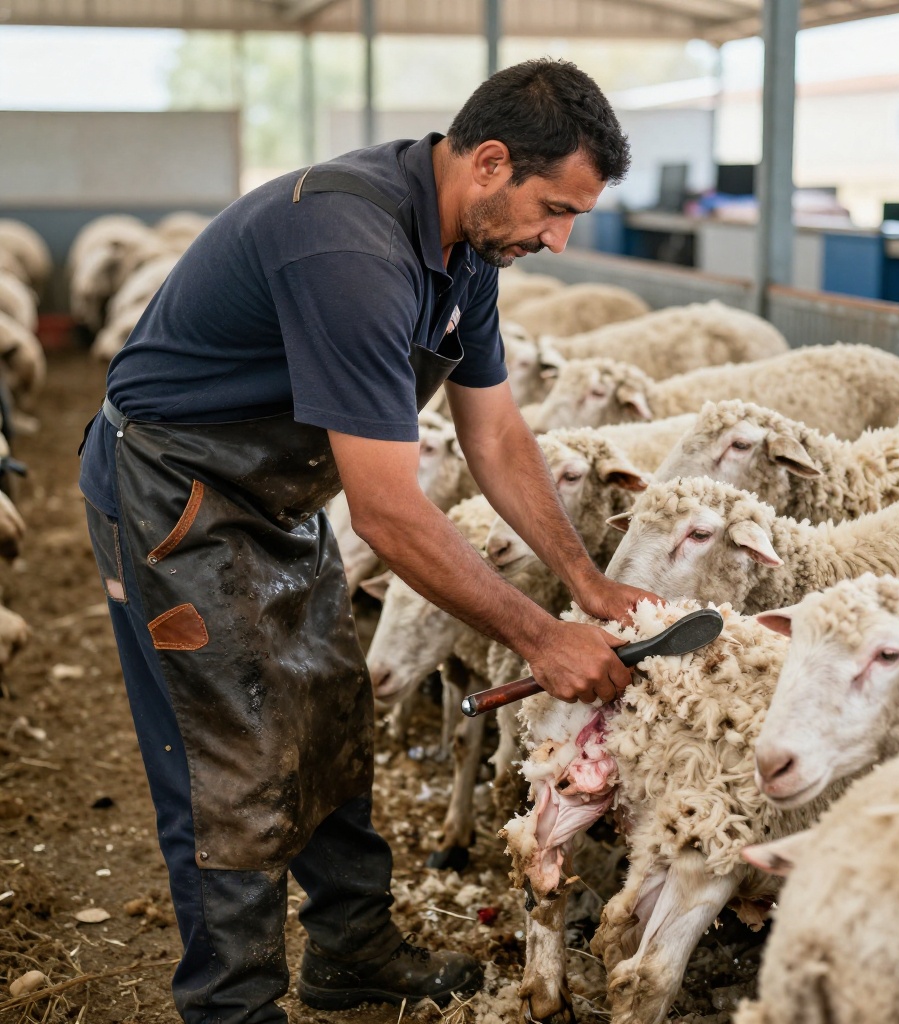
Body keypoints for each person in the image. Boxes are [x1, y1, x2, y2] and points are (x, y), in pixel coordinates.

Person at [78, 58, 661, 1023]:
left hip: (277, 492)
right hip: (178, 492)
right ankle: (232, 1005)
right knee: (232, 750)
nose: (558, 239)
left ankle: (350, 951)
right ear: (489, 162)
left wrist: (586, 582)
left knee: (329, 710)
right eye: (555, 209)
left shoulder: (468, 253)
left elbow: (494, 433)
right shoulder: (349, 246)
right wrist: (540, 637)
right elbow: (387, 513)